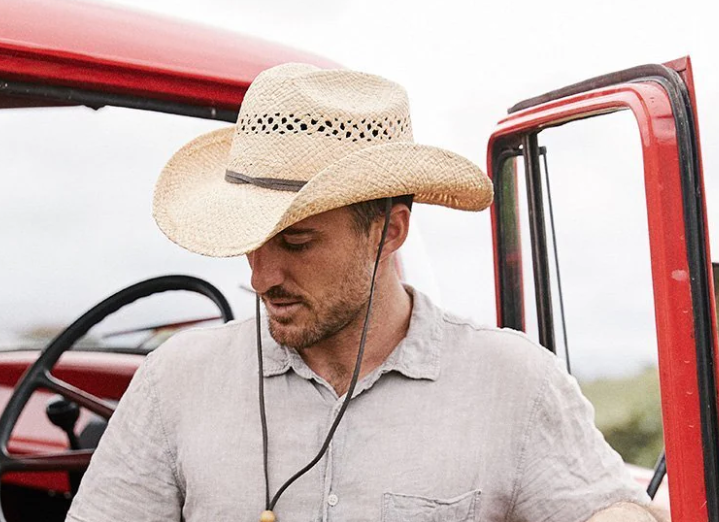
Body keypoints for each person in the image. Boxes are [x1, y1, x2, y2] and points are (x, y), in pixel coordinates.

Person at [66, 63, 661, 522]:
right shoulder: (175, 382)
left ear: (389, 230)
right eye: (251, 242)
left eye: (297, 242)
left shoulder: (514, 383)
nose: (261, 277)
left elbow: (604, 507)